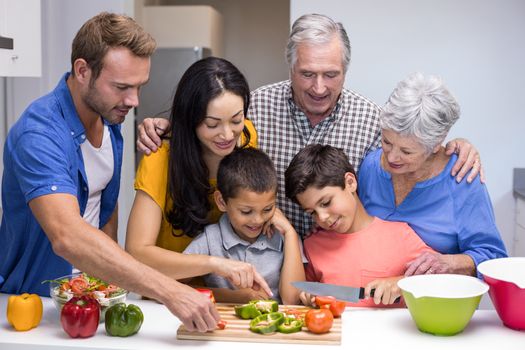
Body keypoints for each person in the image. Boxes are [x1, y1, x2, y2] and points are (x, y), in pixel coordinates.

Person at [136, 14, 483, 237]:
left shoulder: (374, 121)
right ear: (290, 68)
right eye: (307, 74)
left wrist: (453, 147)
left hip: (338, 268)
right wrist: (170, 125)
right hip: (266, 263)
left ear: (346, 70)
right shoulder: (253, 108)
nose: (319, 87)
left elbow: (411, 154)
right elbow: (212, 128)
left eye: (331, 75)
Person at [0, 12, 222, 332]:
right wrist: (169, 290)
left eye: (139, 86)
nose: (133, 101)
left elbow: (104, 204)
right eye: (121, 87)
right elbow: (68, 236)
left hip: (91, 298)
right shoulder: (38, 134)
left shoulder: (109, 119)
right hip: (36, 305)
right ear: (82, 71)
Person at [125, 57, 272, 299]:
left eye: (236, 119)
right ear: (189, 120)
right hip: (168, 295)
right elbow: (137, 252)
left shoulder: (246, 138)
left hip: (226, 293)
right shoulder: (160, 158)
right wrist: (214, 264)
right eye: (212, 124)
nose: (227, 134)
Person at [358, 73, 507, 277]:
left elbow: (493, 257)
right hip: (376, 299)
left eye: (406, 151)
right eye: (387, 142)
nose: (392, 157)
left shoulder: (462, 178)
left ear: (436, 143)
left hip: (436, 300)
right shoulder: (371, 167)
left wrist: (450, 263)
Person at [285, 144, 435, 307]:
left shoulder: (401, 236)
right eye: (311, 212)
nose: (322, 217)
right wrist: (309, 298)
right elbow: (304, 296)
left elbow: (445, 281)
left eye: (326, 202)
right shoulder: (312, 245)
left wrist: (402, 283)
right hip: (338, 331)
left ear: (350, 183)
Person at [183, 147, 305, 305]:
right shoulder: (210, 239)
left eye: (267, 209)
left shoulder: (284, 236)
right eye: (246, 211)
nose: (258, 220)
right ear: (221, 201)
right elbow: (171, 285)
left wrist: (290, 234)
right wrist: (235, 297)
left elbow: (292, 300)